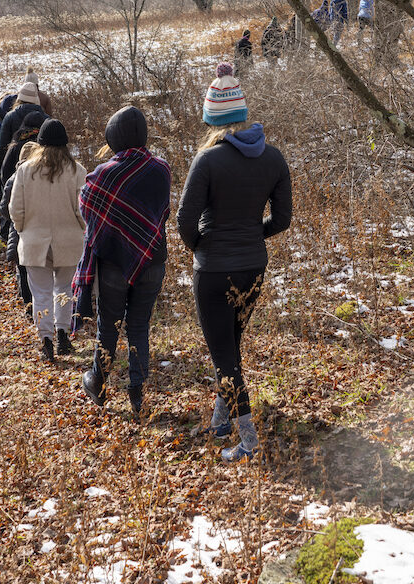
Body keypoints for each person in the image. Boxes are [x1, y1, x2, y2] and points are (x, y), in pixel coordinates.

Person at [177, 63, 292, 462]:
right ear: (242, 115)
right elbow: (282, 220)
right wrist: (250, 235)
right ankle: (221, 420)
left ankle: (248, 441)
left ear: (212, 119)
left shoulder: (207, 161)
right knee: (230, 345)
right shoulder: (273, 158)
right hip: (253, 267)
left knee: (224, 355)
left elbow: (184, 221)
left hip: (213, 269)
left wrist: (202, 248)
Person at [77, 106, 172, 421]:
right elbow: (162, 214)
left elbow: (87, 208)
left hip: (114, 261)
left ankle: (99, 383)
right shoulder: (161, 169)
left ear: (114, 138)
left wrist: (114, 231)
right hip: (152, 258)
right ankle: (137, 390)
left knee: (109, 325)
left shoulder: (102, 174)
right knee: (139, 326)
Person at [9, 118, 88, 362]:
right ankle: (63, 334)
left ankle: (46, 339)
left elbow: (15, 209)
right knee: (64, 289)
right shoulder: (78, 171)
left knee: (40, 293)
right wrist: (83, 231)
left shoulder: (25, 171)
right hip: (69, 241)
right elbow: (83, 210)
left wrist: (24, 231)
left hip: (34, 241)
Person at [0, 110, 49, 315]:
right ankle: (40, 307)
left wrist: (13, 214)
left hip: (18, 228)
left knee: (23, 268)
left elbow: (2, 177)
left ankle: (30, 306)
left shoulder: (14, 146)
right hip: (36, 227)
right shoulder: (46, 158)